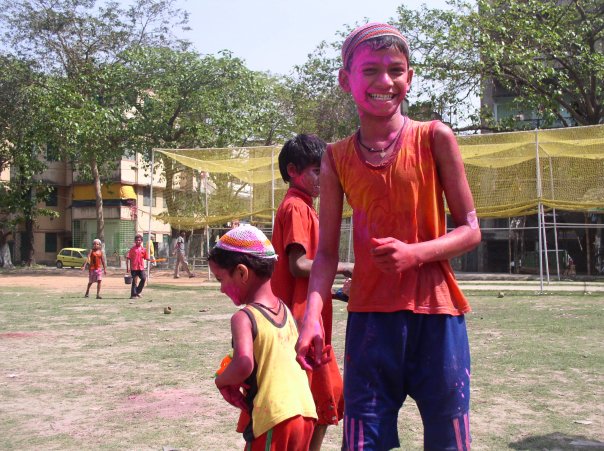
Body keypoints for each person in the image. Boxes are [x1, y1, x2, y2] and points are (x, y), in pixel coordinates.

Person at [295, 23, 482, 450]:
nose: (385, 82)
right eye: (370, 70)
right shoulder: (335, 156)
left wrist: (415, 253)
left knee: (449, 439)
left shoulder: (434, 137)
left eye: (396, 70)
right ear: (347, 80)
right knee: (363, 440)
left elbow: (471, 230)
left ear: (409, 77)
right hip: (370, 319)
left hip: (437, 316)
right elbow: (324, 254)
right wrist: (311, 320)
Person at [271, 134, 353, 451]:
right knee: (318, 403)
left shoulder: (306, 207)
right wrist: (347, 267)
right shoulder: (295, 208)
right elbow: (298, 265)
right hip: (303, 325)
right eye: (316, 171)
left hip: (309, 318)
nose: (322, 179)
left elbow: (308, 277)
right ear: (293, 170)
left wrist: (333, 293)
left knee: (321, 404)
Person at [209, 225, 317, 450]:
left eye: (220, 279)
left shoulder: (244, 317)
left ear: (242, 273)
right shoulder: (285, 311)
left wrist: (221, 381)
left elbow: (244, 363)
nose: (221, 289)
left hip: (275, 418)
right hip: (305, 413)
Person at [126, 234, 151, 299]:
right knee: (134, 281)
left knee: (143, 278)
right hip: (134, 268)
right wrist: (128, 268)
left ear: (141, 241)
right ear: (135, 241)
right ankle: (133, 295)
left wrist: (149, 259)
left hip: (141, 268)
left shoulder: (143, 249)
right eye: (136, 240)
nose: (138, 241)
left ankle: (137, 292)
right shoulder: (132, 249)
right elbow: (128, 258)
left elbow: (146, 257)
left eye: (139, 240)